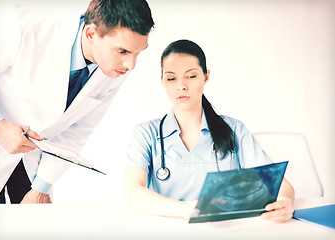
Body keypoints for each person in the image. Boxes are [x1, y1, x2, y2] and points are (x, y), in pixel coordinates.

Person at [0, 0, 154, 204]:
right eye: (123, 52)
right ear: (91, 34)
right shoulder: (25, 25)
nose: (131, 65)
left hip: (32, 163)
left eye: (139, 52)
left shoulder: (116, 67)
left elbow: (79, 129)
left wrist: (41, 187)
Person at [123, 39, 295, 223]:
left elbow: (280, 185)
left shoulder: (234, 129)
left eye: (191, 76)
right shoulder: (146, 134)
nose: (181, 85)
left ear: (206, 77)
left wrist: (285, 203)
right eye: (171, 78)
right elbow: (132, 192)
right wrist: (187, 210)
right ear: (163, 81)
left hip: (226, 232)